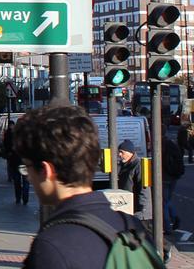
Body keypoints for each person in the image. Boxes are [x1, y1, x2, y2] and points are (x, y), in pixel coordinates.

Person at [15, 104, 151, 268]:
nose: (29, 177)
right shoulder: (132, 228)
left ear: (46, 170)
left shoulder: (52, 246)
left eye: (27, 168)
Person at [163, 129, 184, 232]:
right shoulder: (172, 144)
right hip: (173, 177)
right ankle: (175, 218)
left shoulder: (159, 145)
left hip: (164, 177)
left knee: (163, 202)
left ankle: (167, 226)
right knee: (167, 200)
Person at [116, 140, 144, 216]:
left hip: (135, 207)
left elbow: (143, 188)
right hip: (125, 203)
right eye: (119, 152)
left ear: (130, 152)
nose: (119, 154)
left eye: (122, 152)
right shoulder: (123, 165)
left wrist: (142, 210)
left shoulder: (138, 165)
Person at [6, 121, 29, 205]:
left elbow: (7, 147)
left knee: (17, 181)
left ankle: (18, 198)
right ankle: (25, 198)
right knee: (25, 181)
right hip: (24, 162)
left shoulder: (12, 135)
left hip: (15, 162)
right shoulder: (27, 136)